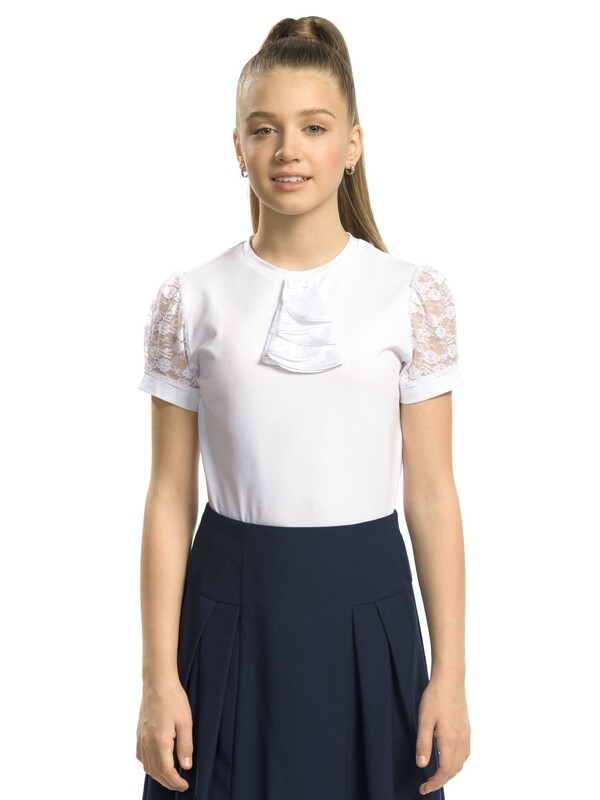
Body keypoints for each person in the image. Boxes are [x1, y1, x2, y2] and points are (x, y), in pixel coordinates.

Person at [136, 15, 471, 800]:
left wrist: (451, 678)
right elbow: (169, 496)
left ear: (352, 144)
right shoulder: (190, 299)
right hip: (228, 611)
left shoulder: (410, 294)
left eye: (313, 128)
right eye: (265, 129)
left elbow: (431, 494)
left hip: (368, 612)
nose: (289, 149)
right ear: (238, 147)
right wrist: (158, 680)